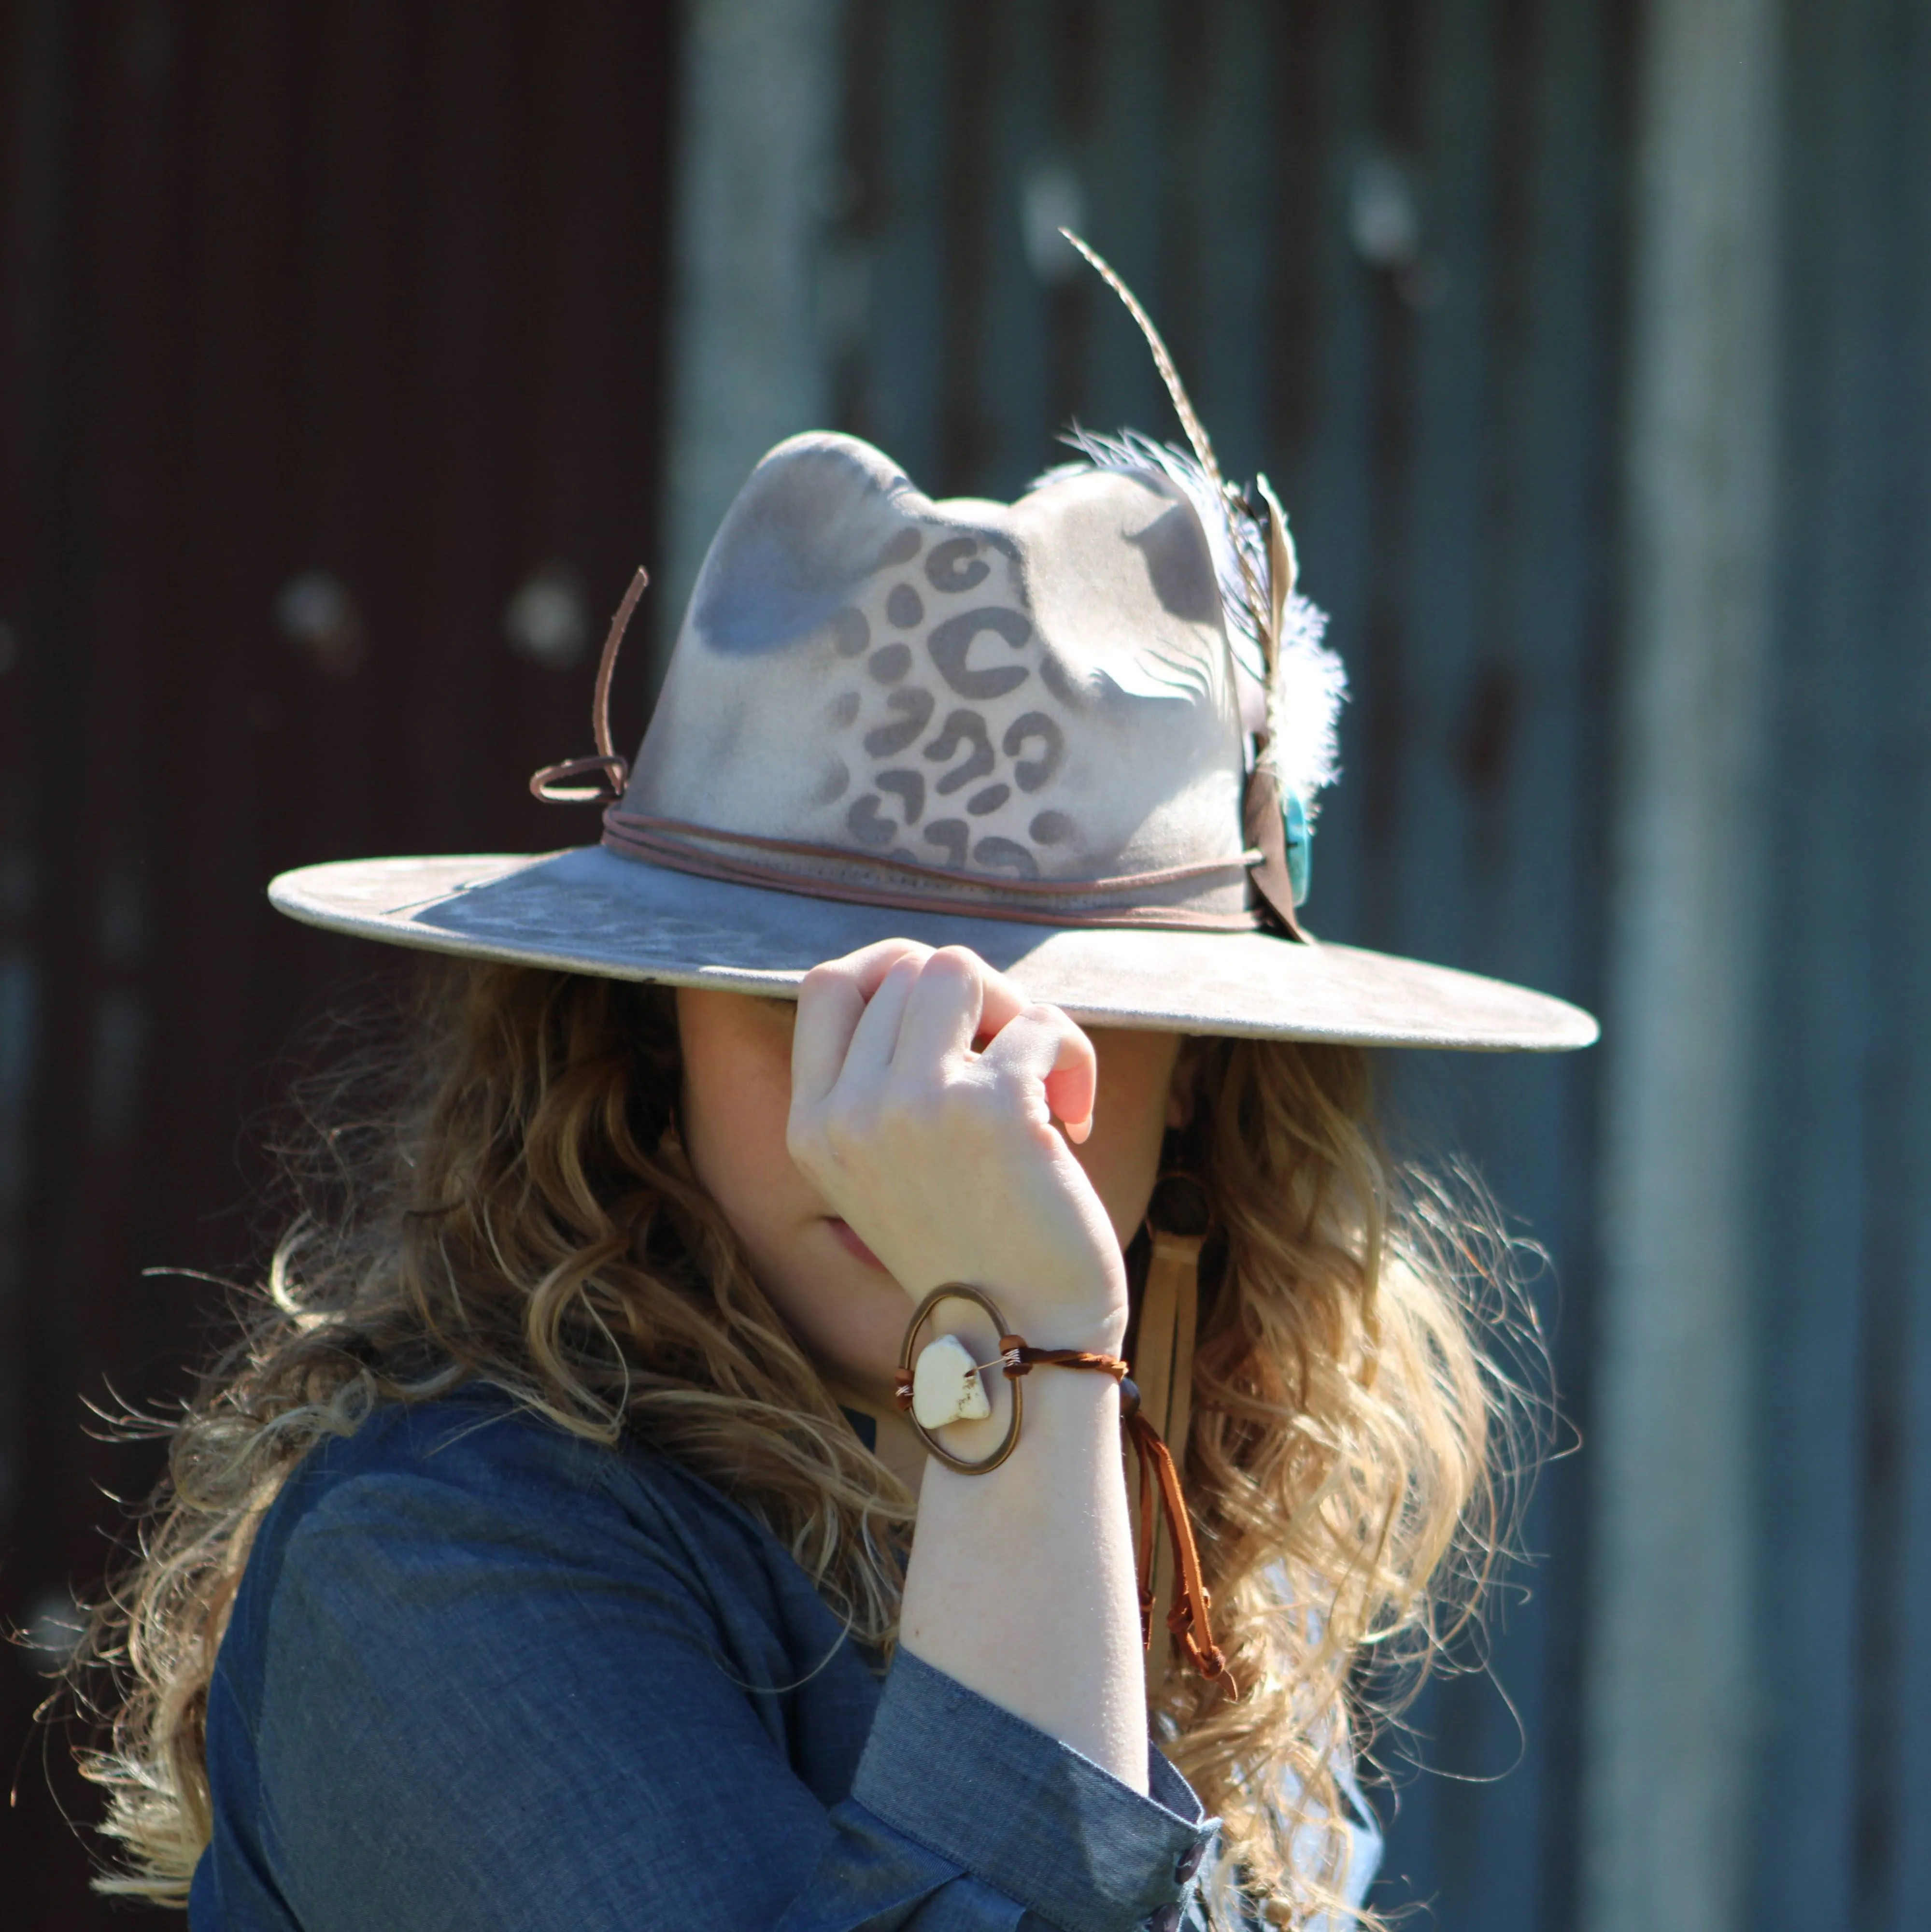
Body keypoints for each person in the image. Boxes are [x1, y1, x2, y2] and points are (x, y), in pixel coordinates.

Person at [76, 253, 1593, 1930]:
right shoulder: (439, 1556)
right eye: (802, 994)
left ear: (1211, 1083)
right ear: (646, 1037)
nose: (928, 1083)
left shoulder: (1202, 1567)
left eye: (1044, 1006)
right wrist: (1019, 1345)